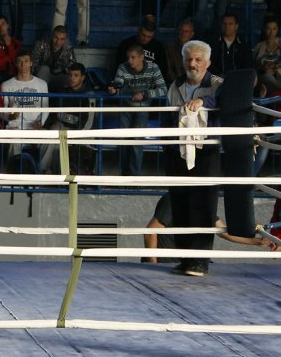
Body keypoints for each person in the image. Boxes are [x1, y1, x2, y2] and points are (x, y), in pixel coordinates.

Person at [164, 40, 223, 277]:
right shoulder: (175, 85)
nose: (193, 63)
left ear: (207, 62)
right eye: (189, 59)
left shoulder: (218, 84)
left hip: (205, 152)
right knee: (179, 203)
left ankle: (200, 260)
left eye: (198, 59)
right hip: (177, 151)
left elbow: (226, 102)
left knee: (203, 204)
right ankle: (185, 258)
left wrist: (203, 102)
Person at [143, 192, 277, 264]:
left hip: (192, 261)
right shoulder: (174, 199)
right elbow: (151, 230)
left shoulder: (202, 201)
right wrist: (153, 264)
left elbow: (223, 231)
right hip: (168, 263)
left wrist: (256, 241)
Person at [108, 44, 166, 177]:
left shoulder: (153, 67)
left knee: (136, 142)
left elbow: (163, 90)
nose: (130, 61)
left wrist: (145, 94)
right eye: (128, 57)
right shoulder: (123, 67)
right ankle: (124, 176)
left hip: (143, 108)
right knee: (123, 141)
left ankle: (134, 178)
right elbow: (118, 87)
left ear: (142, 57)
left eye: (133, 57)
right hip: (126, 107)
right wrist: (113, 91)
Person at [42, 62, 96, 174]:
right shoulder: (63, 91)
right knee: (48, 138)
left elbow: (88, 123)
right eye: (70, 75)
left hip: (80, 131)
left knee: (83, 145)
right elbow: (53, 113)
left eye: (76, 75)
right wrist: (46, 127)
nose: (72, 78)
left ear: (82, 77)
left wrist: (77, 135)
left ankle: (76, 174)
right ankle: (43, 172)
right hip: (61, 126)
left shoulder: (89, 95)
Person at [1, 51, 50, 173]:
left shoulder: (42, 84)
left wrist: (41, 123)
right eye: (20, 62)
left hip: (35, 126)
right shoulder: (7, 85)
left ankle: (42, 171)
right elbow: (1, 111)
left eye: (26, 61)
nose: (23, 64)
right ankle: (14, 171)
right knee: (14, 141)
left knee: (50, 141)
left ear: (31, 63)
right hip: (15, 126)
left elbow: (46, 108)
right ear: (16, 64)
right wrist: (10, 116)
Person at [31, 25, 76, 91]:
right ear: (52, 36)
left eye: (62, 39)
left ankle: (63, 100)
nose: (58, 42)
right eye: (56, 38)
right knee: (44, 69)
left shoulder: (68, 48)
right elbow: (32, 64)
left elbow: (72, 66)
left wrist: (64, 70)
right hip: (41, 77)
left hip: (59, 77)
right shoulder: (41, 44)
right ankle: (42, 98)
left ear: (65, 39)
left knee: (72, 77)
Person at [209, 13, 252, 77]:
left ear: (236, 26)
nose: (227, 26)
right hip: (217, 80)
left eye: (230, 24)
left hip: (238, 81)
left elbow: (248, 66)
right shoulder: (213, 44)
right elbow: (209, 65)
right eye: (224, 24)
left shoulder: (243, 45)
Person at [254, 16, 281, 92]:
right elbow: (255, 67)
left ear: (277, 30)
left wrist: (275, 70)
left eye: (274, 29)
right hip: (264, 76)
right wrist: (264, 69)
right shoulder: (259, 46)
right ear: (264, 29)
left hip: (279, 74)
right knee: (268, 78)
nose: (271, 32)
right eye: (268, 28)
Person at [164, 19, 195, 84]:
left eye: (186, 31)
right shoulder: (169, 48)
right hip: (175, 84)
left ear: (191, 34)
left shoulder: (197, 50)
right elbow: (168, 70)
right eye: (181, 30)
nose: (183, 33)